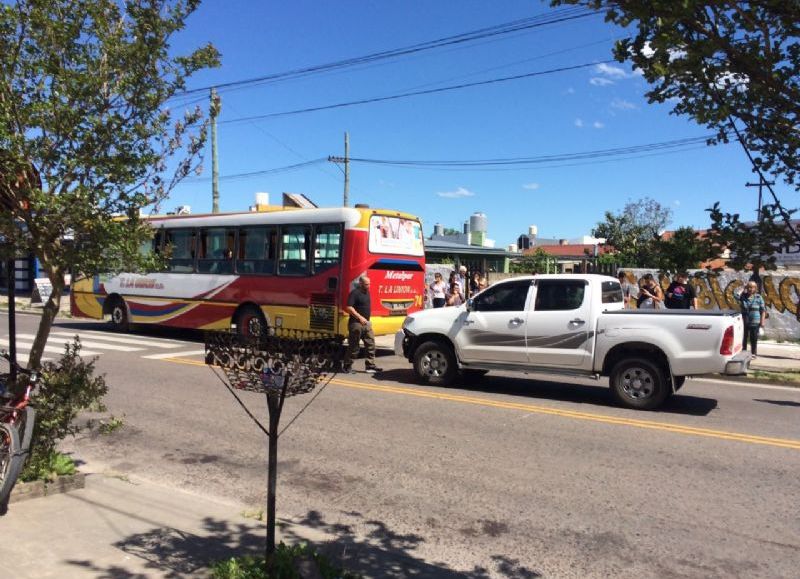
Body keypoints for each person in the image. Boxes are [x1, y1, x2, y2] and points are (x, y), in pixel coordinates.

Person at [343, 275, 382, 373]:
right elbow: (349, 307)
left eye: (369, 284)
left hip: (366, 324)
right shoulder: (354, 293)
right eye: (366, 284)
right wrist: (360, 317)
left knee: (371, 344)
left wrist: (368, 320)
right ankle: (347, 366)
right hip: (356, 324)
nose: (368, 286)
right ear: (360, 284)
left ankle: (370, 366)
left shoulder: (367, 292)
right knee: (354, 346)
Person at [737, 280, 766, 358]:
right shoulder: (743, 297)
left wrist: (762, 323)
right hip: (744, 320)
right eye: (749, 287)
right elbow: (736, 295)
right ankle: (743, 352)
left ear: (755, 288)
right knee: (744, 338)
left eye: (752, 287)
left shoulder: (759, 297)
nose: (750, 289)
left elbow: (763, 310)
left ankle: (753, 353)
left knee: (754, 338)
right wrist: (743, 288)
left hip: (755, 321)